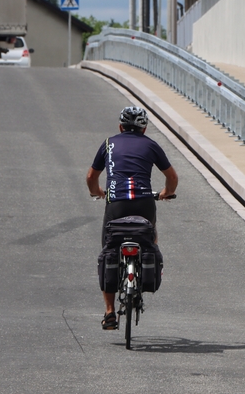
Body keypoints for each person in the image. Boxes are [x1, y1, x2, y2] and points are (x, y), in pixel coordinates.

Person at [86, 106, 178, 330]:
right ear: (144, 128)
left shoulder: (109, 143)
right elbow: (172, 177)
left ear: (120, 126)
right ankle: (148, 267)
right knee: (150, 237)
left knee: (109, 248)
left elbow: (91, 177)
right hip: (144, 202)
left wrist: (97, 192)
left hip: (116, 203)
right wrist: (166, 192)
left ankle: (109, 312)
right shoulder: (151, 145)